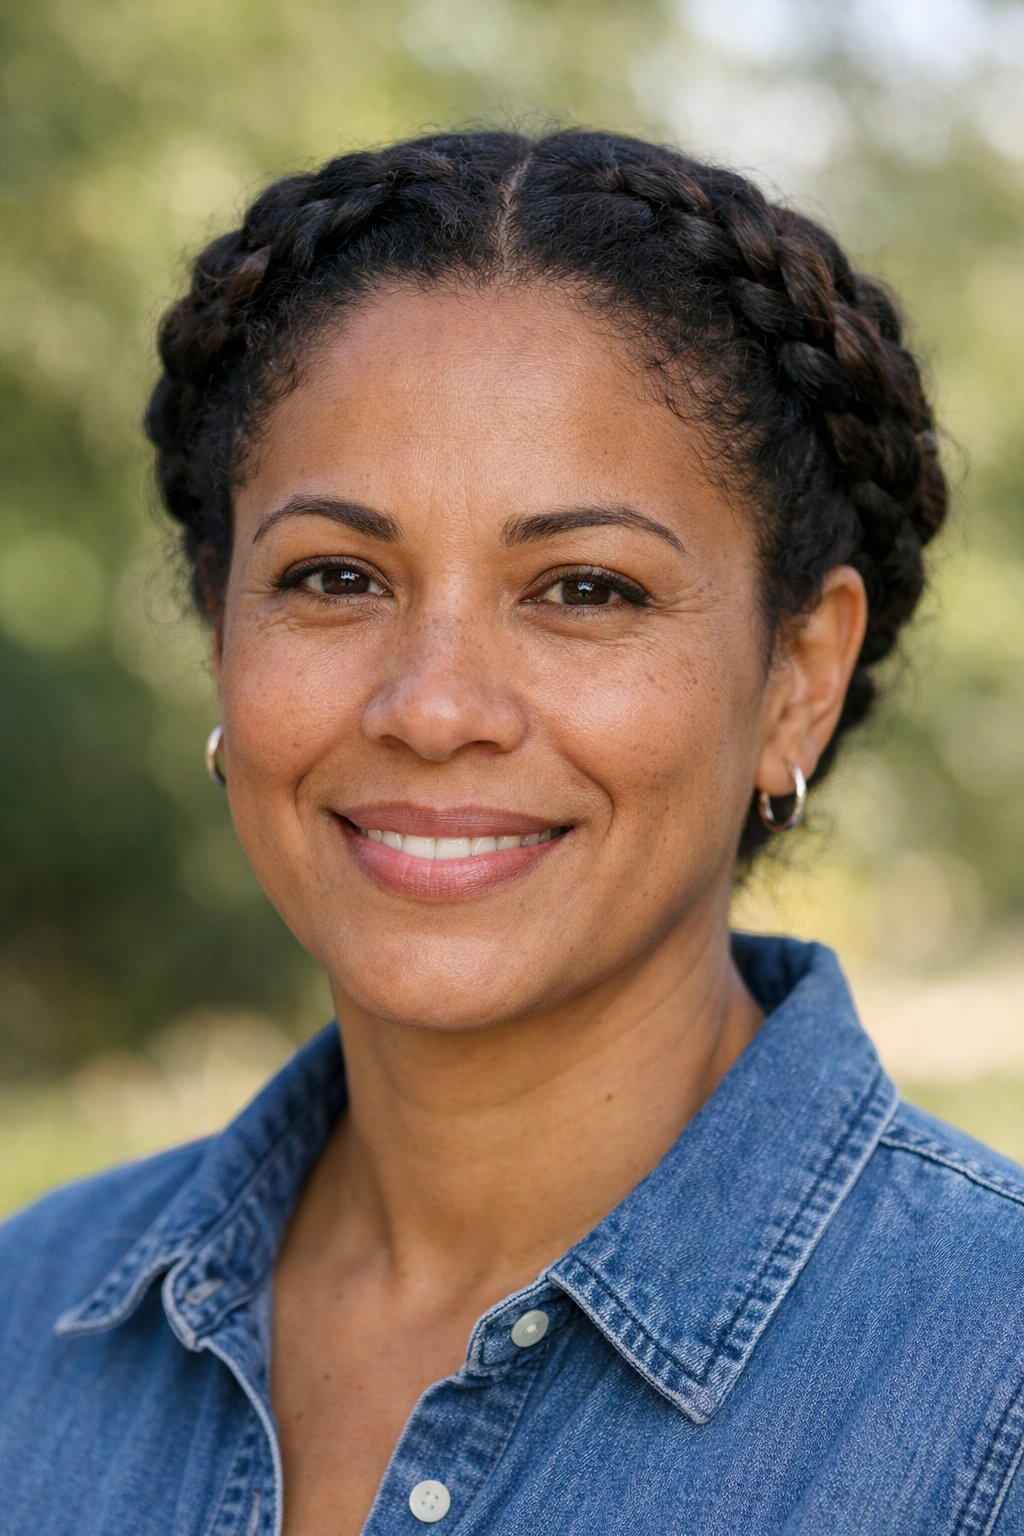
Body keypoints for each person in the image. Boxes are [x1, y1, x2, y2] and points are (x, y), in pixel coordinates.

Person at [1, 127, 1022, 1536]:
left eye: (585, 590)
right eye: (337, 575)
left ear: (799, 677)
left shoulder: (995, 1392)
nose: (433, 707)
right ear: (220, 627)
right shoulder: (26, 1322)